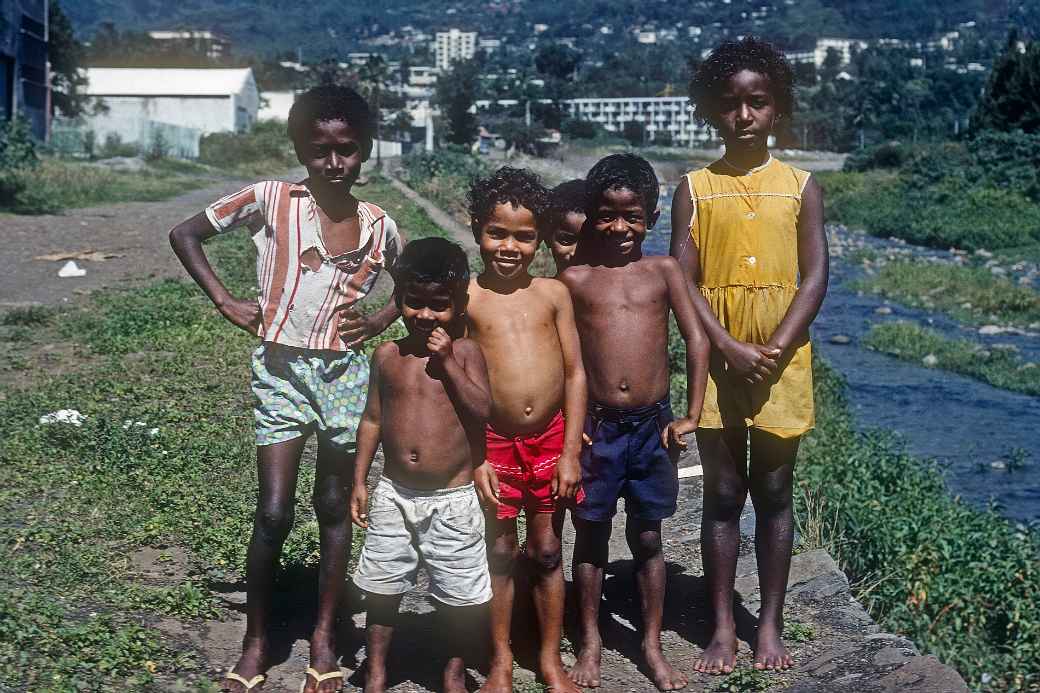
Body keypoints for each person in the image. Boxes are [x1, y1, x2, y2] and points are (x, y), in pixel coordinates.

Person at [169, 85, 403, 693]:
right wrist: (224, 298)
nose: (334, 163)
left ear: (364, 151)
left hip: (345, 377)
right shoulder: (270, 200)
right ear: (300, 149)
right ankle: (257, 640)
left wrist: (378, 321)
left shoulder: (380, 224)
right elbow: (186, 233)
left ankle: (325, 637)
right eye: (320, 150)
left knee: (332, 505)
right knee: (273, 511)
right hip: (280, 371)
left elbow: (418, 279)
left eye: (347, 151)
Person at [670, 37, 828, 674]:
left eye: (757, 104)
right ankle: (721, 628)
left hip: (781, 363)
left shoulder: (801, 188)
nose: (743, 116)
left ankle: (768, 624)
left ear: (776, 110)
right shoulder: (695, 188)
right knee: (723, 492)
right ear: (713, 111)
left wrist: (775, 346)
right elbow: (683, 279)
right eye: (731, 105)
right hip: (719, 361)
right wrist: (729, 345)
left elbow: (815, 277)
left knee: (775, 489)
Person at [559, 153, 709, 691]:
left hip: (653, 425)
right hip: (595, 427)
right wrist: (567, 423)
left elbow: (696, 338)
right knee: (591, 535)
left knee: (648, 535)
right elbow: (564, 358)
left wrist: (691, 414)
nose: (619, 227)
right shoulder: (575, 279)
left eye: (633, 216)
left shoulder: (664, 272)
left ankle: (650, 642)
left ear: (651, 216)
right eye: (607, 215)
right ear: (593, 215)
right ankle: (591, 640)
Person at [350, 237, 493, 693]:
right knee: (383, 585)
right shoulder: (388, 356)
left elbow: (483, 410)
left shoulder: (467, 354)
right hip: (395, 492)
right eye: (414, 303)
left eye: (439, 305)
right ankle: (376, 669)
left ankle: (453, 669)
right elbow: (372, 419)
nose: (426, 315)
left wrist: (448, 362)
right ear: (400, 300)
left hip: (451, 497)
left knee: (458, 593)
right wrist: (361, 481)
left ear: (460, 303)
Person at [464, 167, 587, 693]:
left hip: (550, 441)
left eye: (524, 235)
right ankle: (500, 660)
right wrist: (475, 456)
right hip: (493, 442)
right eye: (497, 232)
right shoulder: (466, 298)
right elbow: (453, 382)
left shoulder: (553, 294)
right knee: (498, 551)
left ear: (539, 238)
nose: (509, 246)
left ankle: (549, 658)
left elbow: (575, 373)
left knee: (547, 551)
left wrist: (569, 452)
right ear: (476, 230)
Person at [545, 179, 588, 273]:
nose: (576, 253)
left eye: (588, 242)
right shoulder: (539, 287)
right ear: (547, 238)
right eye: (566, 240)